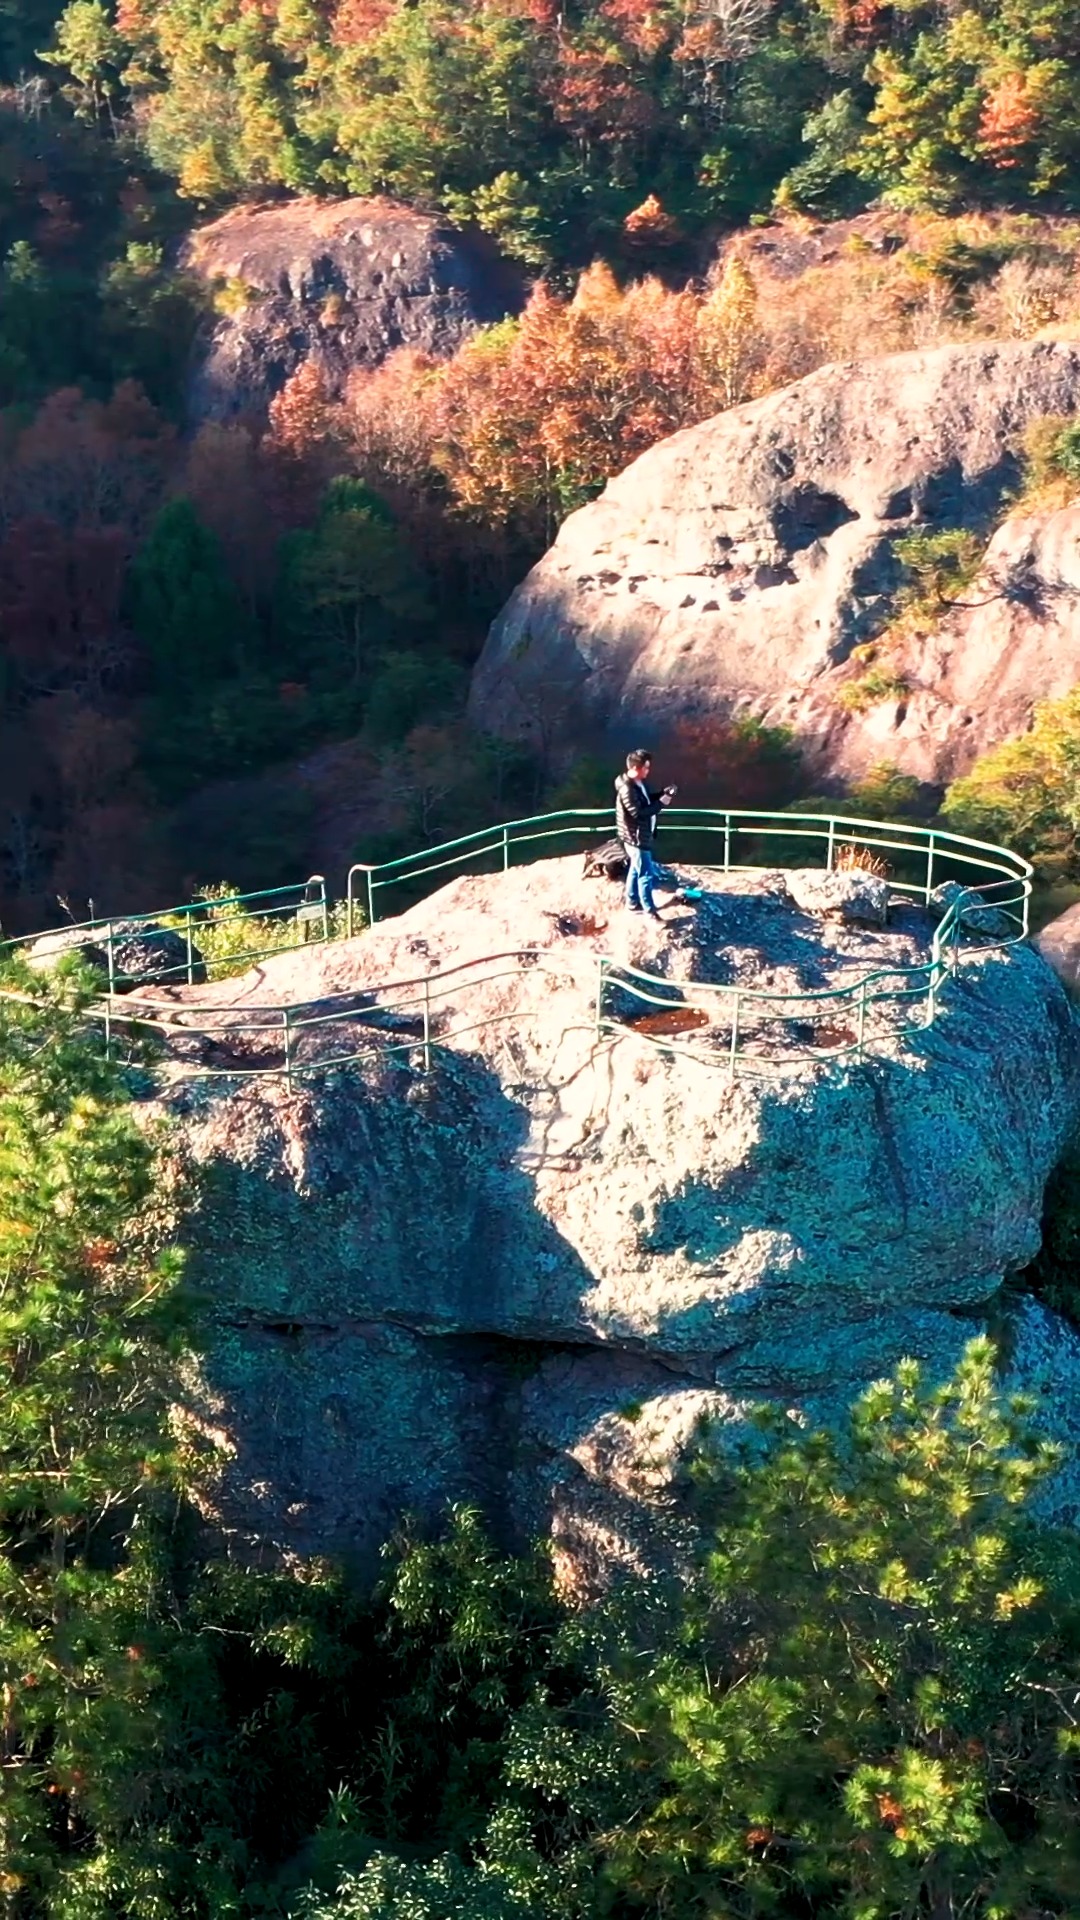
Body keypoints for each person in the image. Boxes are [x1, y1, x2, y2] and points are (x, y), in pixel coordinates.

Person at [614, 749, 677, 917]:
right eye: (646, 767)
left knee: (636, 869)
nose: (648, 771)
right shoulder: (627, 789)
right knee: (646, 875)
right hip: (636, 839)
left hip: (639, 836)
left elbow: (646, 800)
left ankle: (632, 903)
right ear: (635, 767)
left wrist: (662, 794)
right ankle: (649, 912)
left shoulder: (638, 784)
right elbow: (639, 813)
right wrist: (662, 803)